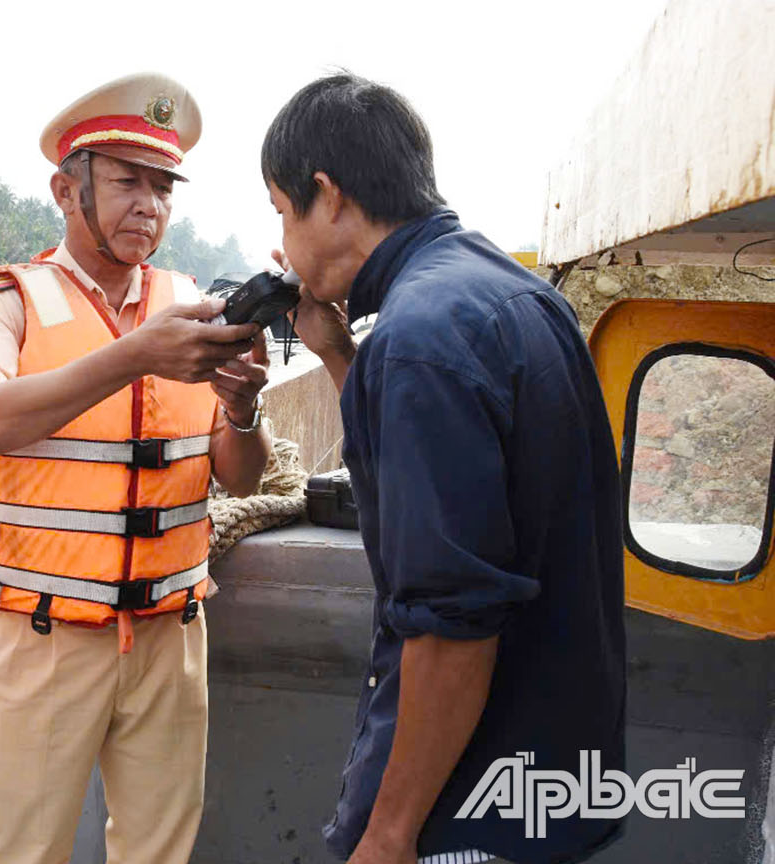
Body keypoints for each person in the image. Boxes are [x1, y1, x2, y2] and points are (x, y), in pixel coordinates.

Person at [263, 73, 625, 864]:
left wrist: (389, 836)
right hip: (548, 784)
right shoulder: (515, 298)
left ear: (327, 195)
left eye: (282, 212)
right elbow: (439, 452)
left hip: (465, 814)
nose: (284, 242)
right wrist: (334, 350)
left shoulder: (420, 336)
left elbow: (455, 626)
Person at [0, 73, 273, 864]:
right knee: (26, 850)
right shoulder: (4, 300)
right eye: (127, 182)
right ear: (66, 188)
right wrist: (134, 356)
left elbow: (242, 478)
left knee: (159, 850)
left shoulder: (190, 303)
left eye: (163, 187)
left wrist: (242, 407)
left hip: (171, 634)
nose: (148, 205)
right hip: (45, 633)